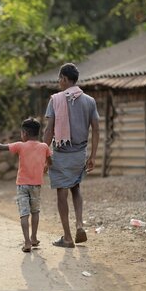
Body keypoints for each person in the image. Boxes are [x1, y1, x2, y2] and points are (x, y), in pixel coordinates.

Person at [43, 63, 99, 248]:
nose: (59, 83)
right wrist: (93, 156)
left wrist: (44, 154)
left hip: (61, 154)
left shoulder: (55, 100)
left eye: (60, 79)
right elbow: (96, 130)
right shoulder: (89, 101)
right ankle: (80, 224)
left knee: (62, 193)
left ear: (65, 79)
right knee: (76, 188)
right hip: (79, 154)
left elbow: (49, 130)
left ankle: (67, 237)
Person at [0, 118, 52, 253]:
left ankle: (27, 242)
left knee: (24, 214)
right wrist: (46, 167)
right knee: (35, 212)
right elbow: (50, 161)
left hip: (22, 185)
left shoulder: (20, 145)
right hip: (36, 186)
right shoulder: (44, 147)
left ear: (24, 133)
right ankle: (34, 237)